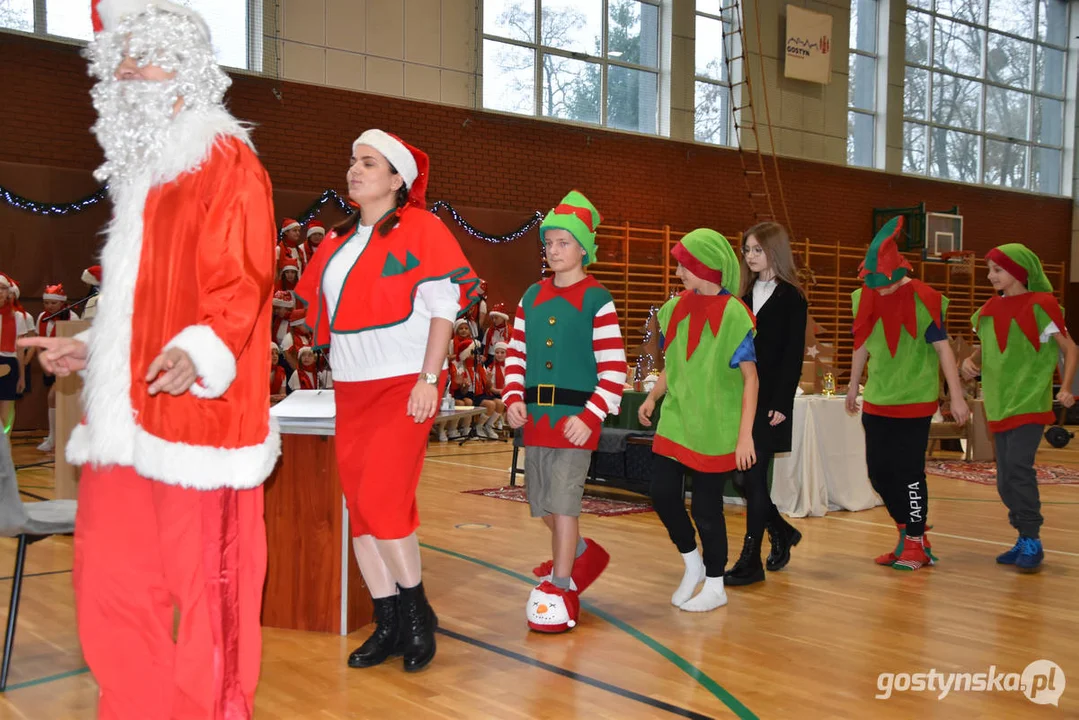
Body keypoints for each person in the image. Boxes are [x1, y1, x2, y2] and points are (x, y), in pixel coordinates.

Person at [19, 2, 277, 716]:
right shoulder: (142, 175)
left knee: (210, 598)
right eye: (121, 56)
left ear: (188, 70)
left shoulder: (222, 159)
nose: (130, 68)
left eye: (148, 54)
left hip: (199, 425)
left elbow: (243, 276)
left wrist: (201, 350)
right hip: (125, 422)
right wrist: (93, 345)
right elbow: (146, 302)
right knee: (110, 586)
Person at [294, 129, 481, 672]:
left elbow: (444, 308)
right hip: (350, 387)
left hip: (405, 383)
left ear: (397, 179)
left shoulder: (424, 228)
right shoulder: (336, 238)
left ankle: (418, 614)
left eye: (368, 162)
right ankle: (389, 620)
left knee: (384, 500)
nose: (354, 169)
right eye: (352, 160)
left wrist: (431, 376)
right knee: (359, 507)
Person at [503, 190, 626, 633]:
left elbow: (614, 368)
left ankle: (562, 585)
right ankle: (579, 554)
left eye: (563, 243)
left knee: (564, 503)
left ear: (583, 248)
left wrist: (590, 417)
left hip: (576, 423)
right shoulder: (530, 297)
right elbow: (516, 354)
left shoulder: (598, 299)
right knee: (542, 505)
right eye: (549, 243)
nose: (553, 251)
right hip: (537, 420)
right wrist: (513, 397)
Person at [638, 229, 757, 612]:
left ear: (706, 267)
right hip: (676, 419)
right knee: (661, 493)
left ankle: (716, 583)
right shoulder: (674, 309)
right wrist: (653, 396)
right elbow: (673, 364)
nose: (678, 272)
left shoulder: (736, 314)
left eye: (684, 265)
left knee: (707, 508)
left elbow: (751, 379)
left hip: (715, 426)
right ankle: (692, 563)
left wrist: (744, 437)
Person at [844, 217, 970, 571]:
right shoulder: (865, 295)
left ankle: (914, 542)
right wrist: (854, 384)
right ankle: (910, 534)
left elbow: (945, 349)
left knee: (910, 472)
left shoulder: (924, 299)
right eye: (874, 285)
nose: (880, 291)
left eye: (885, 285)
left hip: (915, 400)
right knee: (879, 473)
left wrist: (956, 397)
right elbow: (862, 343)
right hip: (878, 399)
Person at [961, 243, 1078, 572]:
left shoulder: (1042, 305)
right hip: (998, 404)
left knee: (1018, 471)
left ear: (1019, 272)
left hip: (1029, 402)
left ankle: (1032, 539)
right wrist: (971, 362)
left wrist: (1066, 387)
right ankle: (1023, 534)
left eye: (997, 270)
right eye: (990, 270)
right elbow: (986, 347)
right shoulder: (987, 309)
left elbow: (1071, 349)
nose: (990, 276)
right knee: (1004, 479)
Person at [724, 222, 806, 586]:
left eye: (757, 249)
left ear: (774, 251)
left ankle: (750, 559)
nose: (750, 256)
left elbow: (793, 356)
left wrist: (782, 402)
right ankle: (781, 531)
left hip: (770, 400)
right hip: (741, 398)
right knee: (742, 476)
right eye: (747, 250)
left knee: (752, 476)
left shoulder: (792, 296)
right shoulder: (740, 294)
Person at [34, 284, 80, 452]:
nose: (50, 307)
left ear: (62, 303)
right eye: (47, 303)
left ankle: (56, 438)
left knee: (54, 396)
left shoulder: (72, 318)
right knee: (54, 399)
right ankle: (54, 434)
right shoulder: (42, 318)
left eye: (54, 303)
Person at [0, 276, 29, 434]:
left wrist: (22, 377)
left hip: (9, 364)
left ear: (9, 293)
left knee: (6, 416)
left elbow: (20, 349)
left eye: (2, 288)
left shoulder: (17, 317)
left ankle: (3, 451)